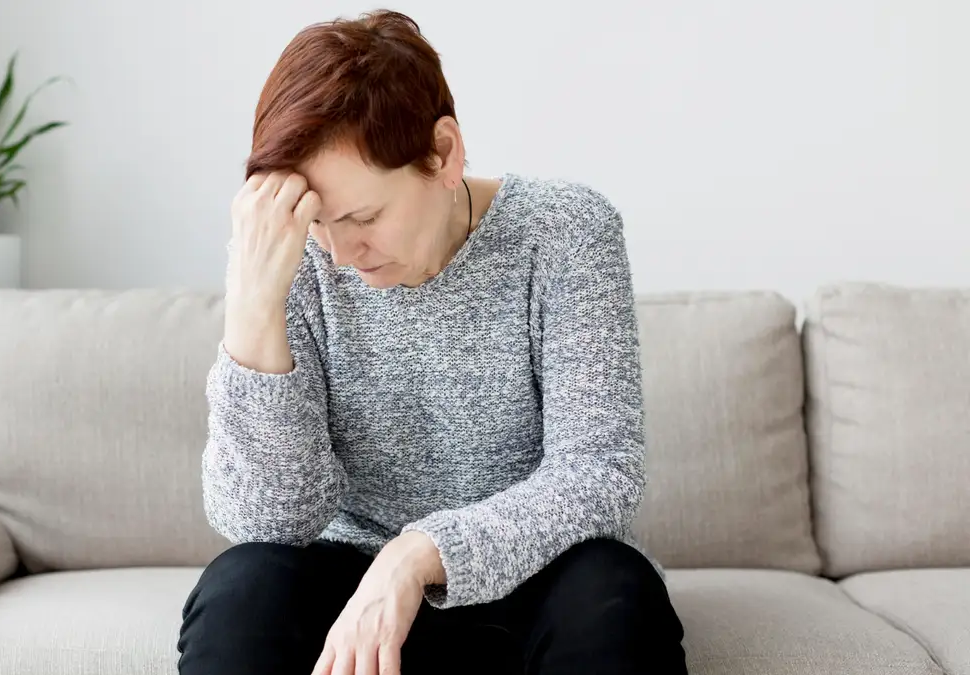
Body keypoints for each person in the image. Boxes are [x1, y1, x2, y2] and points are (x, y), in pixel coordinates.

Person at [177, 9, 687, 675]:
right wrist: (252, 309)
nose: (340, 253)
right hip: (355, 596)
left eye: (363, 217)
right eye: (321, 225)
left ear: (443, 153)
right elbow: (266, 522)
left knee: (613, 590)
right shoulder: (301, 258)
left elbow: (598, 475)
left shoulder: (567, 232)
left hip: (533, 580)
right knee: (241, 587)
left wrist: (420, 553)